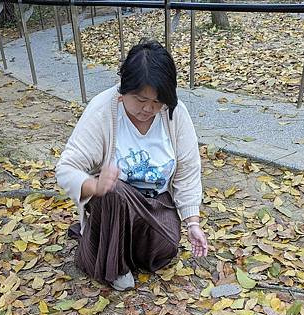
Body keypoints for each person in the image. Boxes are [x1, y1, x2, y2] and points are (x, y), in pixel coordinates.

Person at [55, 40, 208, 291]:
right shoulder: (103, 109)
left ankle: (108, 245)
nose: (148, 109)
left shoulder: (174, 114)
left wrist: (193, 223)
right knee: (114, 191)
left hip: (156, 202)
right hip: (116, 204)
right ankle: (113, 266)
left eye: (157, 102)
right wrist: (95, 185)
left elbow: (188, 171)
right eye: (140, 99)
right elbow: (66, 168)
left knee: (166, 248)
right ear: (123, 90)